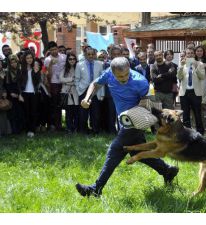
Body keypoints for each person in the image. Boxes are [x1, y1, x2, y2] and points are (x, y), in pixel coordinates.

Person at [75, 57, 179, 197]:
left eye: (126, 74)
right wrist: (87, 98)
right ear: (112, 72)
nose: (123, 78)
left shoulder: (140, 81)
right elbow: (95, 83)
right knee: (137, 154)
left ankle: (96, 189)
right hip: (122, 120)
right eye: (120, 76)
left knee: (115, 150)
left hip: (134, 122)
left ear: (129, 68)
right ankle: (167, 171)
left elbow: (149, 104)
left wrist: (139, 116)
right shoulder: (108, 74)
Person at [177, 47, 206, 135]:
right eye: (188, 53)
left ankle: (200, 132)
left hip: (195, 92)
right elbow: (179, 77)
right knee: (185, 114)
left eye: (191, 53)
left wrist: (196, 67)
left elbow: (202, 77)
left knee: (197, 113)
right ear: (185, 55)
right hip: (184, 93)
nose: (190, 55)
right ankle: (187, 133)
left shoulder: (199, 64)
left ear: (194, 54)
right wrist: (181, 66)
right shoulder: (182, 64)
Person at [75, 48, 104, 134]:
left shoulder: (99, 64)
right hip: (83, 90)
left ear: (95, 54)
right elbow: (76, 79)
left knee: (95, 113)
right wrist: (79, 89)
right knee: (83, 113)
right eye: (88, 54)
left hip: (96, 90)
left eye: (92, 54)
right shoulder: (79, 65)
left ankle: (95, 130)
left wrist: (102, 94)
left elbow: (102, 80)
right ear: (85, 55)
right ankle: (83, 131)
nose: (91, 56)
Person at [44, 41, 66, 131]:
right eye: (52, 50)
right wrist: (50, 65)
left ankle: (64, 124)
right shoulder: (47, 60)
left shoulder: (64, 57)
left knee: (63, 104)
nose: (54, 51)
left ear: (58, 48)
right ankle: (55, 125)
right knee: (54, 105)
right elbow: (47, 75)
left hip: (64, 83)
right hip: (53, 84)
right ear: (49, 50)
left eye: (55, 49)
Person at [19, 51, 41, 137]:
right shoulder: (21, 69)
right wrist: (20, 94)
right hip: (25, 93)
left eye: (31, 58)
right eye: (27, 58)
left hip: (34, 93)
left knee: (33, 112)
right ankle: (28, 129)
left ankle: (32, 130)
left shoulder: (35, 68)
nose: (29, 59)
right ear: (25, 59)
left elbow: (37, 82)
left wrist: (35, 73)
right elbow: (19, 83)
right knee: (26, 112)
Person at [60, 53, 79, 133]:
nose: (72, 60)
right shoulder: (64, 68)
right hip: (67, 93)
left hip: (76, 93)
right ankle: (69, 128)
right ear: (67, 60)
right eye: (70, 59)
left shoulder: (78, 68)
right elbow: (61, 79)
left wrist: (67, 81)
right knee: (68, 113)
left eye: (73, 59)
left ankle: (75, 128)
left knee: (76, 113)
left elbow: (78, 80)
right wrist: (71, 79)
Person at [5, 55, 24, 134]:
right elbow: (7, 84)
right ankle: (14, 130)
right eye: (12, 63)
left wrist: (20, 94)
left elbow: (22, 83)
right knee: (13, 113)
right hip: (11, 95)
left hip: (20, 95)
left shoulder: (20, 71)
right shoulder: (8, 72)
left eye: (15, 62)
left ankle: (21, 129)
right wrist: (11, 93)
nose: (14, 64)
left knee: (20, 112)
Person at [0, 59, 11, 137]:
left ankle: (3, 132)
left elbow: (3, 85)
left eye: (0, 64)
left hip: (2, 97)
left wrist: (4, 92)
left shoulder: (3, 73)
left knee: (3, 115)